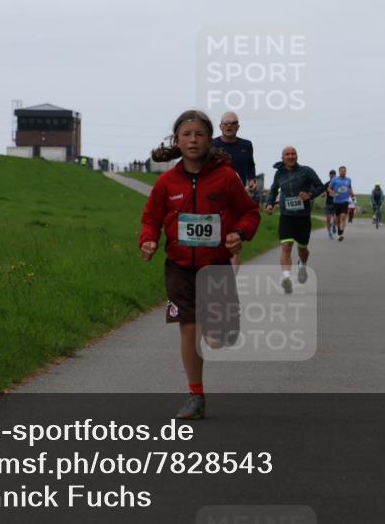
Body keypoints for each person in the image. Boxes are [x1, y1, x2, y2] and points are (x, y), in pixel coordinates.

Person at [140, 110, 260, 420]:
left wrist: (239, 233)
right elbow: (151, 218)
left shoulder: (226, 177)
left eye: (199, 134)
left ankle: (223, 320)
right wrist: (148, 240)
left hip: (215, 265)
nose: (193, 140)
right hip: (179, 267)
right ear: (177, 140)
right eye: (187, 134)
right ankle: (195, 396)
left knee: (216, 340)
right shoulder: (167, 182)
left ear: (210, 140)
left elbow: (250, 212)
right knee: (189, 327)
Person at [265, 147, 327, 294]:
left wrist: (309, 194)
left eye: (293, 154)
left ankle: (302, 265)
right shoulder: (279, 173)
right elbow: (273, 190)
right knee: (286, 246)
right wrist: (269, 203)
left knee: (302, 249)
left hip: (303, 216)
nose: (290, 156)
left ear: (297, 156)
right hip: (286, 215)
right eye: (287, 154)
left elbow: (320, 186)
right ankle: (286, 278)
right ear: (283, 157)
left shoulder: (306, 171)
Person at [212, 111, 257, 270]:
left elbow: (251, 165)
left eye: (233, 123)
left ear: (238, 126)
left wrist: (252, 179)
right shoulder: (212, 145)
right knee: (216, 239)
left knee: (234, 239)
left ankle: (232, 279)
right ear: (220, 126)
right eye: (226, 123)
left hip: (238, 196)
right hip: (216, 197)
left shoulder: (246, 145)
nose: (229, 126)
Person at [329, 165, 354, 241]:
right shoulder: (334, 179)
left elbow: (349, 188)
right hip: (336, 201)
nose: (343, 172)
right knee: (337, 219)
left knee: (343, 216)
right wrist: (334, 193)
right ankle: (338, 229)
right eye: (342, 171)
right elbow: (329, 188)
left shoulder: (348, 180)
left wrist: (352, 194)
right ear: (339, 172)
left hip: (345, 201)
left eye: (345, 171)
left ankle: (341, 233)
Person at [322, 169, 337, 239]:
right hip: (328, 203)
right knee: (328, 219)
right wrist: (323, 195)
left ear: (335, 175)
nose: (332, 176)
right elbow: (324, 192)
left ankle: (334, 225)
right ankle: (329, 233)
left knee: (335, 219)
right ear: (329, 176)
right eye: (331, 175)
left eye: (333, 175)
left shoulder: (337, 183)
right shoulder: (326, 184)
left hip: (336, 203)